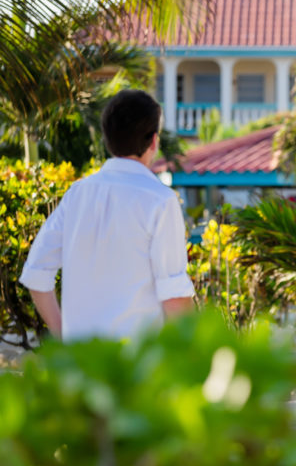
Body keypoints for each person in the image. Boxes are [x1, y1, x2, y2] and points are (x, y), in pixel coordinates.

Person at [19, 89, 195, 341]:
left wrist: (64, 338)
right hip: (136, 366)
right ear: (154, 141)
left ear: (107, 139)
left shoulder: (77, 194)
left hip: (80, 365)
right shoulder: (161, 201)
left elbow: (36, 274)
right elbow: (175, 300)